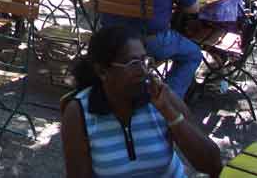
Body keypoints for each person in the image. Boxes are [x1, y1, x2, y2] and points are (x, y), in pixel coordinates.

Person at [61, 26, 222, 178]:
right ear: (102, 71)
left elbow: (213, 165)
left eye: (144, 61)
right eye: (133, 64)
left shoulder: (160, 97)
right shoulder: (79, 112)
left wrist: (170, 113)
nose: (143, 71)